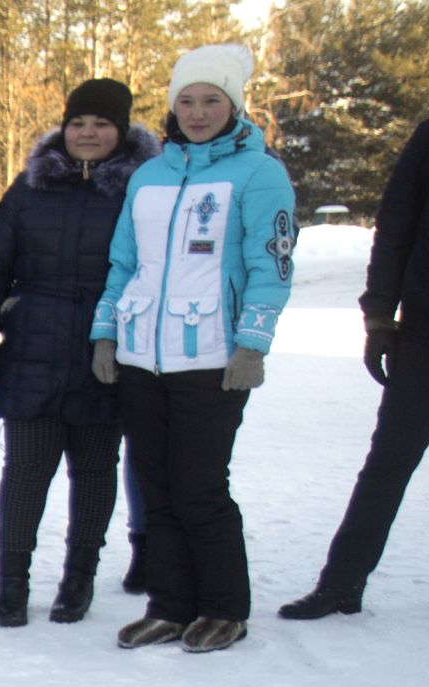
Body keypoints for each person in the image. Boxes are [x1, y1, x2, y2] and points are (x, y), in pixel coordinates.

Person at [92, 43, 295, 653]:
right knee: (155, 487)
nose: (198, 112)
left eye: (211, 101)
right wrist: (106, 332)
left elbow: (272, 263)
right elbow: (124, 261)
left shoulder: (260, 174)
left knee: (199, 486)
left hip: (212, 359)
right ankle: (170, 605)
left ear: (233, 105)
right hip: (141, 356)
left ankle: (225, 606)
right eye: (187, 101)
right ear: (173, 106)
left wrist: (252, 344)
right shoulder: (149, 174)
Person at [0, 79, 160, 626]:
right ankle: (13, 582)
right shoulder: (29, 188)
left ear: (120, 132)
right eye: (78, 123)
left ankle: (79, 579)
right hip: (33, 344)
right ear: (64, 128)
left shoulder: (141, 190)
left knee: (95, 471)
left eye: (101, 124)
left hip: (108, 348)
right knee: (25, 470)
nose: (88, 133)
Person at [280, 115, 429, 621]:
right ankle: (341, 583)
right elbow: (395, 227)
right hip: (427, 333)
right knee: (389, 461)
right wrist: (378, 315)